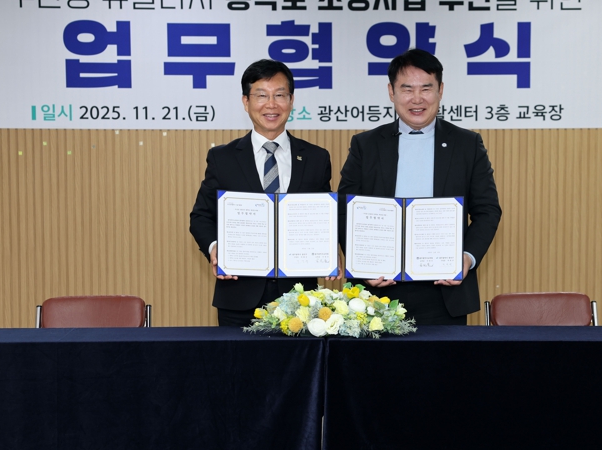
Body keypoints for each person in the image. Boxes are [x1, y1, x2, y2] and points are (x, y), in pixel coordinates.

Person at [338, 49, 501, 325]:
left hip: (444, 291)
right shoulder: (366, 145)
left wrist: (466, 258)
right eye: (407, 89)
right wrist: (361, 263)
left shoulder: (467, 144)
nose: (417, 99)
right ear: (391, 92)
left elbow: (487, 211)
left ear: (440, 90)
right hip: (377, 291)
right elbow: (344, 209)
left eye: (426, 88)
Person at [190, 59, 338, 327]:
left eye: (280, 95)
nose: (271, 104)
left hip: (301, 300)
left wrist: (330, 247)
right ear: (246, 102)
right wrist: (215, 248)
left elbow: (322, 217)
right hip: (239, 296)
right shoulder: (223, 158)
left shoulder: (316, 158)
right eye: (261, 95)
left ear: (291, 100)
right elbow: (201, 216)